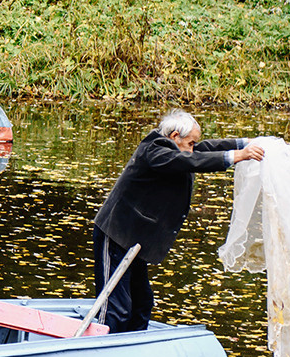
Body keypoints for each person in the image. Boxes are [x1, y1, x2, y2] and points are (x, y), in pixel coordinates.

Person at [91, 110, 266, 333]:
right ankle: (103, 350)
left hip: (135, 241)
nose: (194, 147)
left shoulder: (178, 148)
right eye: (191, 142)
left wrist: (245, 144)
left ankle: (131, 351)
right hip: (115, 234)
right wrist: (237, 156)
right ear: (175, 137)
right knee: (117, 307)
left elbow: (203, 150)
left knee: (142, 303)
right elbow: (189, 158)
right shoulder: (154, 150)